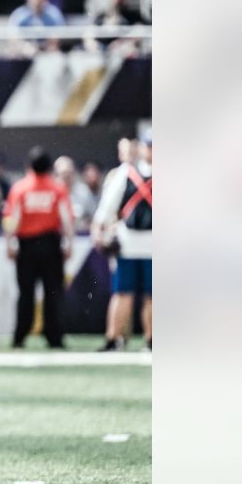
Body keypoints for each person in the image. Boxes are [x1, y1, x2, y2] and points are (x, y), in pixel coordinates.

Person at [3, 147, 74, 349]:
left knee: (25, 293)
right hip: (51, 245)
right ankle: (55, 337)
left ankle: (20, 336)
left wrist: (9, 243)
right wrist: (69, 244)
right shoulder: (57, 188)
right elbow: (67, 220)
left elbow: (11, 218)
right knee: (53, 293)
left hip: (26, 247)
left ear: (29, 166)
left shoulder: (20, 188)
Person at [93, 136, 152, 351]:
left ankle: (147, 338)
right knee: (125, 293)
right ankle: (115, 337)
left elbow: (108, 206)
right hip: (129, 243)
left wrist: (99, 226)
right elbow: (108, 205)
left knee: (146, 294)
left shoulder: (126, 173)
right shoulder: (126, 173)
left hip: (147, 244)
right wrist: (99, 227)